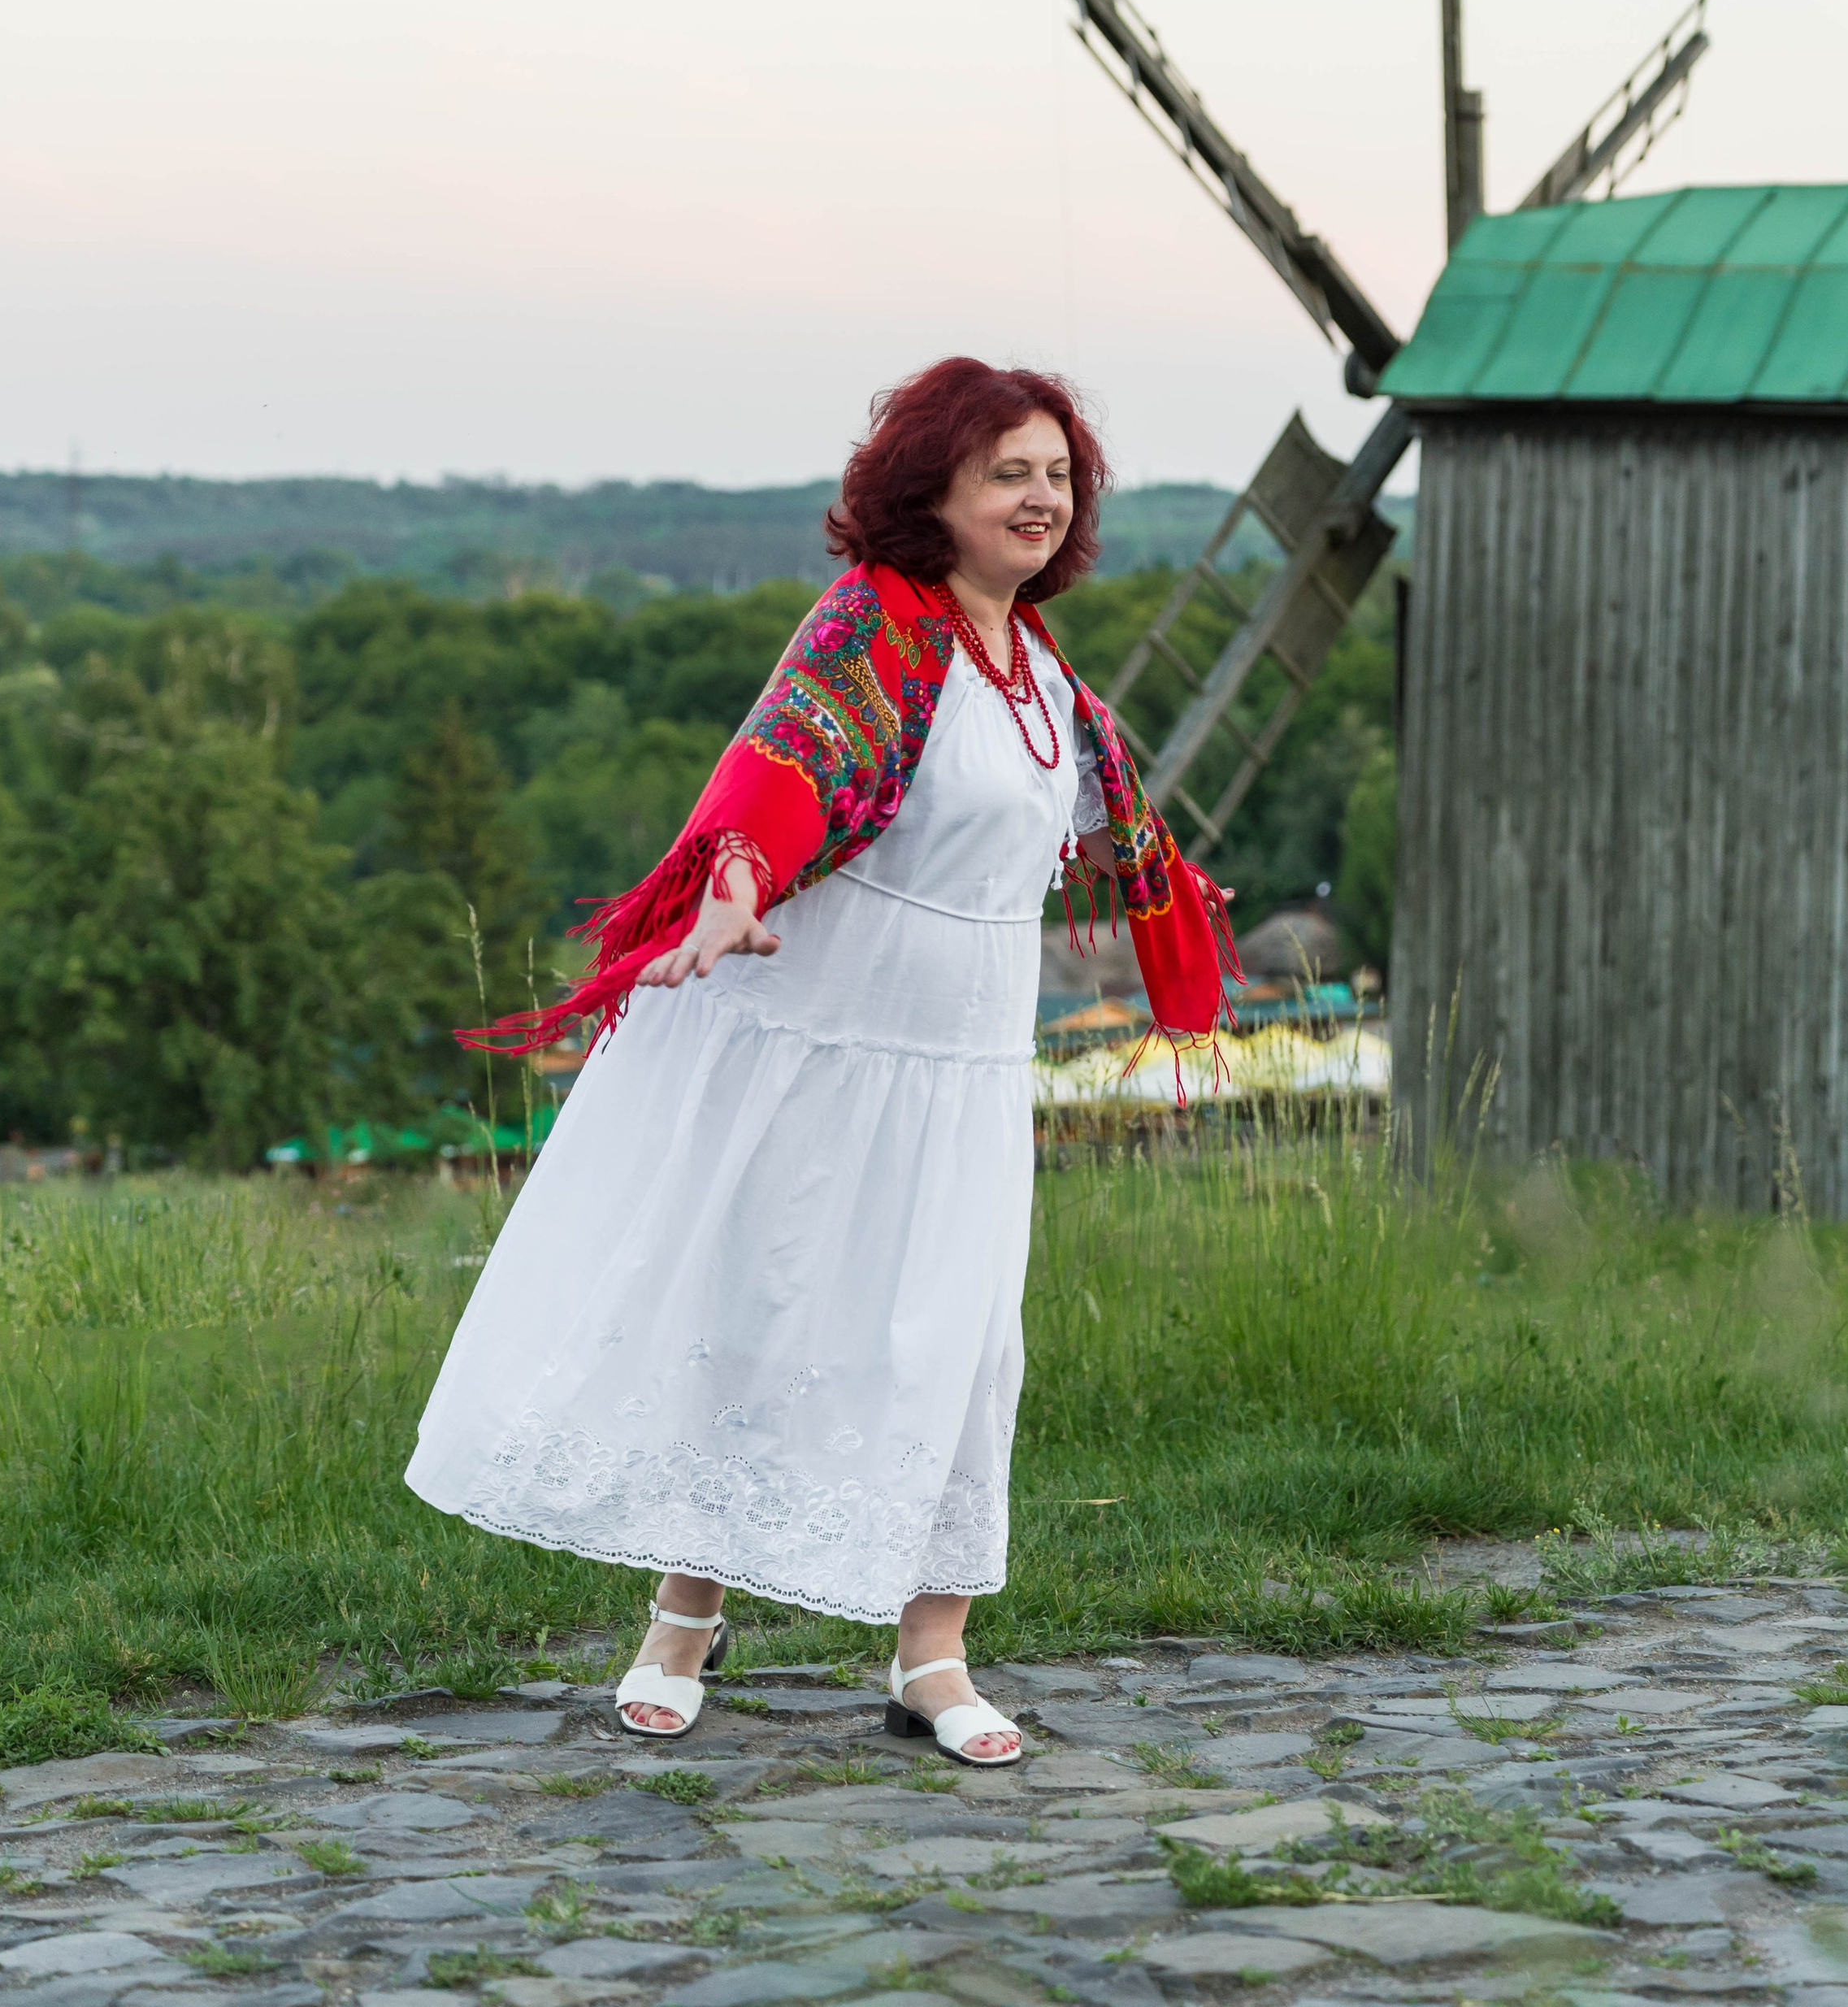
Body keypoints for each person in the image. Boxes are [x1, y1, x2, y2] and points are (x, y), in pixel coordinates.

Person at [406, 358, 1233, 1767]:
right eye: (1007, 474)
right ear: (936, 493)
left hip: (960, 1070)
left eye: (1056, 474)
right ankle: (684, 1618)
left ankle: (934, 1651)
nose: (1041, 498)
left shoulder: (1044, 679)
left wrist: (1176, 920)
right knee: (762, 1305)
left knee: (960, 1346)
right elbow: (783, 775)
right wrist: (732, 887)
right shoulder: (878, 628)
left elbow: (1118, 834)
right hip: (823, 1047)